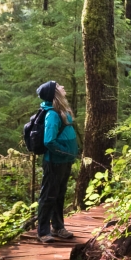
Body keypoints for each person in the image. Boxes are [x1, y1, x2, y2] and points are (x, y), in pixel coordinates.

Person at [35, 80, 79, 243]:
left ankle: (58, 227)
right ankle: (43, 231)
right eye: (59, 86)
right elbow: (49, 141)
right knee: (48, 195)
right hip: (54, 161)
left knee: (59, 195)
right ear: (55, 93)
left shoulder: (61, 110)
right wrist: (65, 151)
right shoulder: (52, 114)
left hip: (64, 160)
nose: (63, 87)